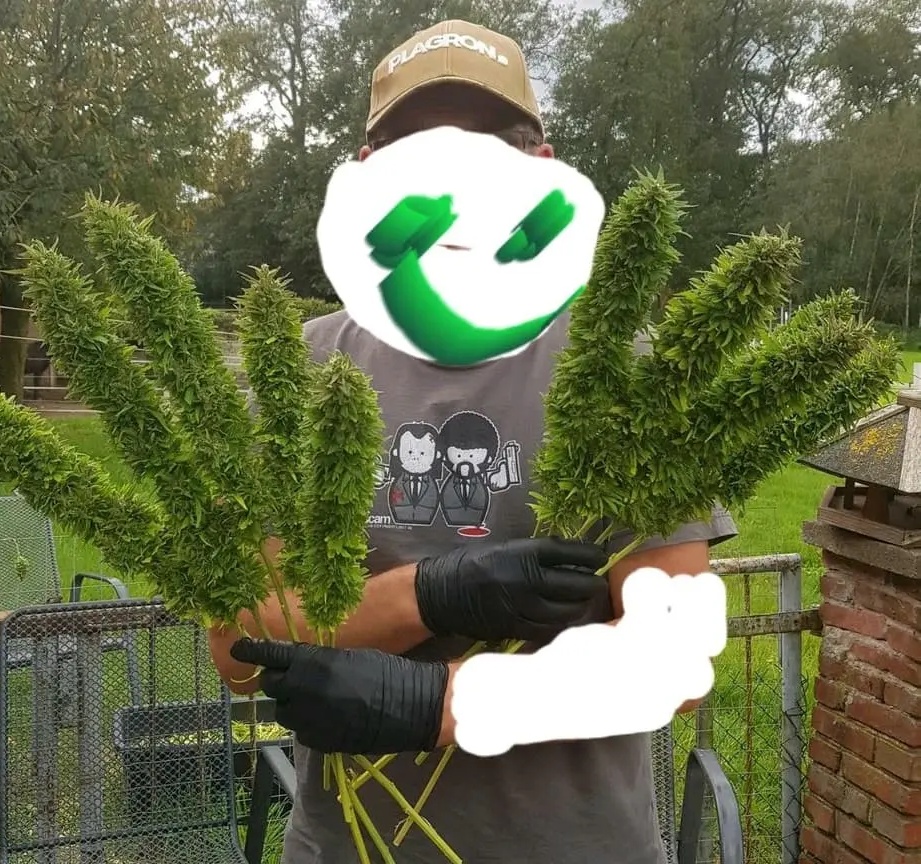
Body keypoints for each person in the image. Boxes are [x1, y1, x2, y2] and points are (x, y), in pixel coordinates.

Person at [208, 18, 737, 864]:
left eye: (487, 146)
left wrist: (439, 705)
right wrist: (432, 596)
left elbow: (671, 660)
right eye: (415, 150)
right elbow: (238, 649)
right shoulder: (295, 373)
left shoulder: (628, 377)